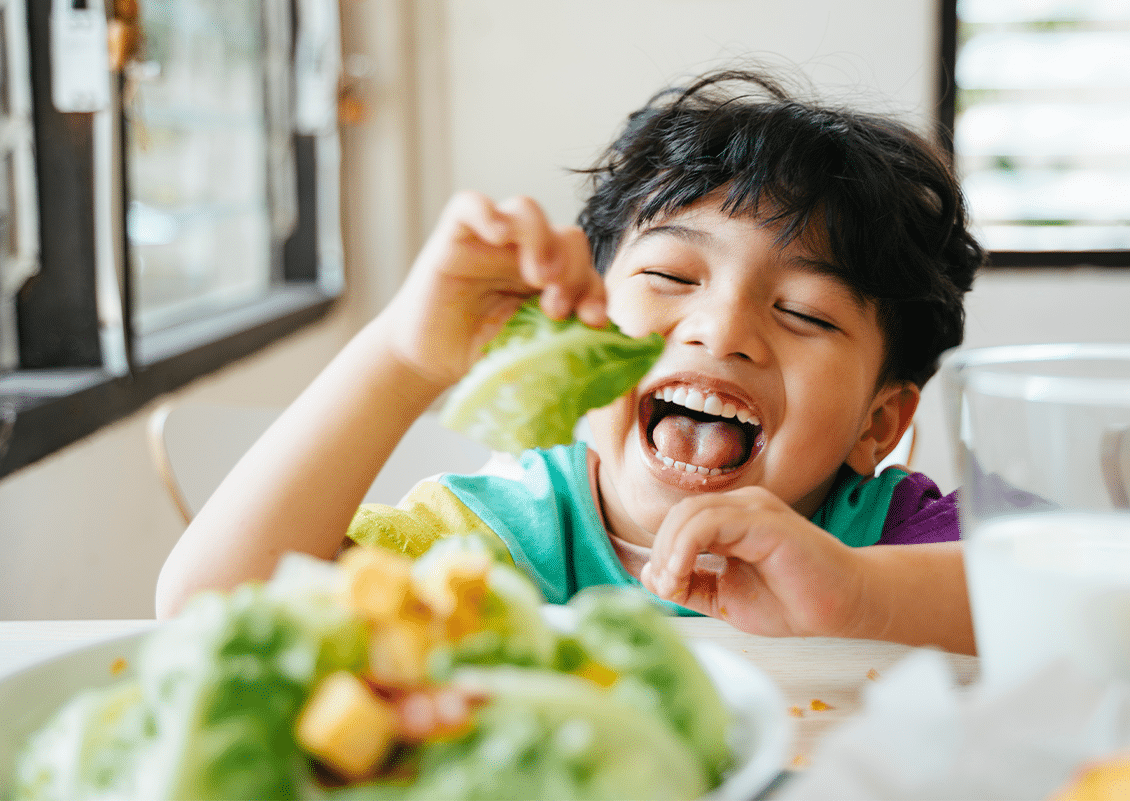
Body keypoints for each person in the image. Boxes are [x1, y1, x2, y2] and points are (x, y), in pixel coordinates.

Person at [156, 68, 984, 655]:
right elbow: (207, 614)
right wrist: (401, 360)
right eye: (670, 275)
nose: (719, 330)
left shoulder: (893, 542)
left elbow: (1085, 612)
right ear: (583, 317)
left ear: (879, 423)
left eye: (804, 312)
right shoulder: (491, 544)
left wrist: (858, 594)